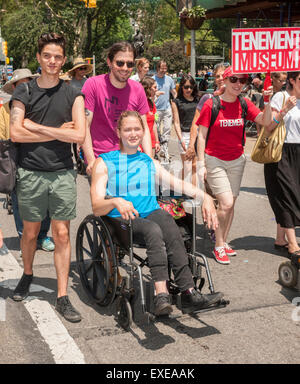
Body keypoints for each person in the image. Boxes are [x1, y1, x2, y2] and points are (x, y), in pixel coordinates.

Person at [90, 110, 223, 316]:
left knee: (170, 224)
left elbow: (178, 184)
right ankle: (161, 294)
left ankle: (188, 292)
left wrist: (204, 197)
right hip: (121, 220)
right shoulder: (105, 161)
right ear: (118, 132)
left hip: (149, 212)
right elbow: (97, 206)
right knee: (153, 230)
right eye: (127, 129)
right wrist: (115, 201)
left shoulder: (148, 162)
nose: (133, 133)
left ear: (143, 132)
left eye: (137, 129)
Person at [10, 32, 86, 322]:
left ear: (63, 60)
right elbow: (16, 133)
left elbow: (78, 135)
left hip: (62, 172)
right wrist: (59, 131)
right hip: (30, 173)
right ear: (39, 58)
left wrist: (37, 127)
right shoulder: (24, 91)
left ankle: (63, 295)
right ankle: (27, 274)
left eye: (57, 57)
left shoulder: (72, 92)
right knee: (30, 233)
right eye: (47, 56)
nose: (52, 61)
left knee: (62, 234)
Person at [196, 66, 273, 265]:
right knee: (226, 203)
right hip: (215, 160)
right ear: (226, 81)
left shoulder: (244, 103)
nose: (239, 84)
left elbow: (266, 122)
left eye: (243, 80)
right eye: (234, 80)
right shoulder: (212, 104)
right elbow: (201, 136)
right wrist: (201, 163)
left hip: (237, 160)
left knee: (231, 205)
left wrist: (268, 101)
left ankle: (223, 240)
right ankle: (218, 244)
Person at [0, 69, 55, 253]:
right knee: (19, 202)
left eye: (27, 83)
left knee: (46, 202)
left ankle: (41, 236)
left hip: (40, 159)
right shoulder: (5, 111)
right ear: (14, 87)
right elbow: (4, 136)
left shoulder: (40, 105)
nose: (25, 87)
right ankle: (25, 236)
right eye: (20, 84)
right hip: (16, 160)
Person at [81, 41, 152, 175]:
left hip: (131, 161)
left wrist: (149, 160)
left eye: (129, 64)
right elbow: (85, 125)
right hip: (101, 162)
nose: (125, 68)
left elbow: (144, 128)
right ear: (109, 62)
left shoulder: (138, 89)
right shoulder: (93, 85)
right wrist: (91, 161)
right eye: (120, 63)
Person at [264, 71, 300, 257]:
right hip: (282, 151)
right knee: (288, 195)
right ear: (292, 81)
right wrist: (285, 109)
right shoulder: (281, 97)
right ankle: (293, 244)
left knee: (286, 194)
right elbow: (269, 126)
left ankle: (280, 239)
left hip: (298, 152)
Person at [185, 63, 227, 163]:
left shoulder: (237, 99)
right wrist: (191, 145)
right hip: (208, 148)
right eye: (217, 76)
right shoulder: (207, 98)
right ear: (214, 79)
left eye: (223, 75)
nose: (221, 78)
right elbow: (196, 123)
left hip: (228, 151)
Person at [171, 74, 199, 185]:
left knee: (195, 165)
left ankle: (192, 190)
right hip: (185, 135)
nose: (189, 89)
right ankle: (177, 185)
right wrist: (181, 139)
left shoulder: (198, 99)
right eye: (186, 87)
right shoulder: (176, 102)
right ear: (181, 87)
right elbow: (176, 123)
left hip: (197, 135)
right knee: (188, 166)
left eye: (191, 87)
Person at [152, 60, 177, 162]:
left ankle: (165, 150)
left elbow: (173, 92)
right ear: (157, 68)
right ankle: (156, 151)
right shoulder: (152, 79)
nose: (163, 70)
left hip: (167, 108)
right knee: (157, 130)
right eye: (161, 68)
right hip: (156, 109)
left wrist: (176, 102)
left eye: (165, 68)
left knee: (167, 129)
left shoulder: (169, 79)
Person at [141, 76, 160, 157]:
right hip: (140, 142)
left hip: (151, 141)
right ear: (148, 89)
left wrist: (157, 141)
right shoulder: (139, 104)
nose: (156, 89)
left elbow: (154, 125)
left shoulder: (151, 103)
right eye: (154, 87)